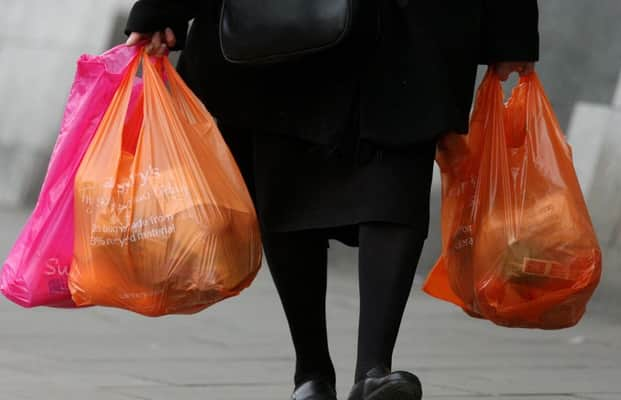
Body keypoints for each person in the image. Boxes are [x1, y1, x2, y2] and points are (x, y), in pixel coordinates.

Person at [125, 1, 539, 399]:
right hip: (285, 33)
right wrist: (164, 9)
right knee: (286, 184)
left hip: (401, 36)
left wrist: (511, 26)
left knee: (394, 181)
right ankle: (312, 372)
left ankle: (370, 372)